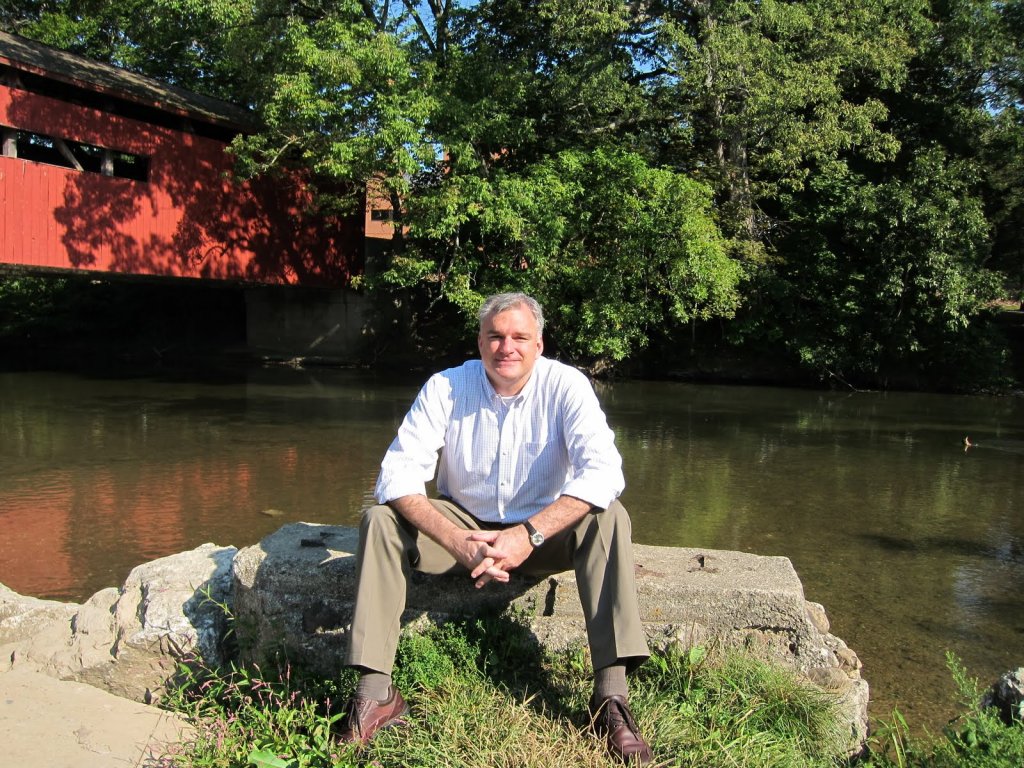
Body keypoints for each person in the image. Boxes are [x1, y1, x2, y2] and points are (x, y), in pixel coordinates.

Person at [337, 292, 653, 764]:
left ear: (539, 344)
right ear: (480, 342)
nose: (507, 347)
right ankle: (375, 695)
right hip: (463, 526)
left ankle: (610, 698)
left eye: (519, 337)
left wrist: (527, 535)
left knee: (609, 516)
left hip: (543, 534)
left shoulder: (567, 386)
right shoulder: (446, 386)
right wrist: (455, 540)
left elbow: (605, 473)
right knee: (380, 519)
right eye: (496, 336)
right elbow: (396, 476)